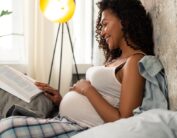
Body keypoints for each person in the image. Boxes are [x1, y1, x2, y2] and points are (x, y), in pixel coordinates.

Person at [0, 0, 156, 137]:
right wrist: (60, 100)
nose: (102, 32)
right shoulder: (115, 59)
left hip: (80, 128)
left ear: (125, 21)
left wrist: (87, 89)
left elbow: (124, 120)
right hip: (62, 118)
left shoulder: (135, 61)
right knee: (9, 110)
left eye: (105, 24)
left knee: (9, 127)